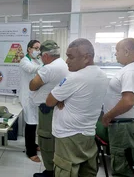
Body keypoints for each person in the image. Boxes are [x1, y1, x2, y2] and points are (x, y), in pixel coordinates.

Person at [46, 38, 109, 176]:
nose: (67, 61)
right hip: (88, 134)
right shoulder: (102, 75)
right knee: (86, 172)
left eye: (71, 57)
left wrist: (60, 99)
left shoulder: (74, 78)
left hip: (68, 137)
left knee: (65, 171)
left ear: (86, 57)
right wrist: (61, 98)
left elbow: (50, 101)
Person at [102, 38, 134, 176]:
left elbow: (128, 101)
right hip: (131, 124)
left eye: (117, 51)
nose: (115, 54)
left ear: (127, 51)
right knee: (131, 164)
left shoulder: (131, 71)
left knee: (123, 168)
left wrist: (108, 115)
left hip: (125, 127)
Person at [29, 40, 69, 177]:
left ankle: (50, 171)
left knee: (46, 140)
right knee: (54, 141)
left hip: (48, 110)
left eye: (41, 56)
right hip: (57, 108)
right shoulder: (63, 64)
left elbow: (32, 85)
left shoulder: (49, 68)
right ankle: (53, 170)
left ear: (45, 56)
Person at [19, 40, 42, 162]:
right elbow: (32, 70)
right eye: (36, 48)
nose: (38, 51)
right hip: (27, 96)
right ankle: (30, 152)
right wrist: (47, 66)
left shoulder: (37, 60)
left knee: (35, 122)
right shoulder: (24, 61)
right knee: (30, 123)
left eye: (39, 48)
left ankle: (33, 145)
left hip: (35, 95)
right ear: (29, 49)